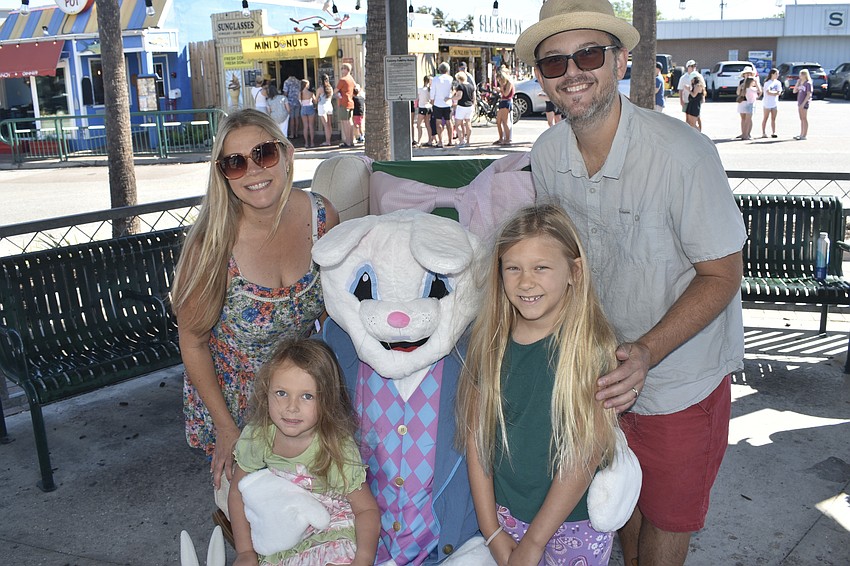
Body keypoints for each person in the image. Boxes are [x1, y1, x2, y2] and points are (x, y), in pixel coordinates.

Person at [515, 1, 747, 564]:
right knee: (618, 505)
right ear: (541, 78)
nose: (573, 72)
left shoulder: (683, 154)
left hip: (681, 382)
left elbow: (722, 273)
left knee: (667, 520)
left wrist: (646, 351)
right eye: (554, 62)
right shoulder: (546, 153)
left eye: (589, 54)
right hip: (597, 373)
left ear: (620, 61)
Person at [172, 108, 340, 493]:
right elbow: (193, 342)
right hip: (236, 405)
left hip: (301, 393)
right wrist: (226, 429)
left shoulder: (322, 217)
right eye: (235, 163)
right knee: (257, 515)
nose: (252, 170)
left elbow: (334, 308)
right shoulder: (212, 246)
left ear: (287, 154)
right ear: (223, 175)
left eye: (264, 153)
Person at [457, 204, 623, 565]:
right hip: (504, 519)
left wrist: (534, 542)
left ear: (574, 272)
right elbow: (476, 440)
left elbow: (583, 456)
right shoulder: (488, 345)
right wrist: (491, 530)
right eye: (513, 268)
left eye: (541, 268)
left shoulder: (590, 350)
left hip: (574, 525)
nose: (525, 282)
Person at [228, 338, 380, 566]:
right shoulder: (258, 436)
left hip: (329, 531)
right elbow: (237, 492)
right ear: (265, 392)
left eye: (307, 396)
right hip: (280, 536)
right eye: (281, 393)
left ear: (327, 401)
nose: (292, 407)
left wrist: (363, 559)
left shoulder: (336, 446)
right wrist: (245, 551)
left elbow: (366, 509)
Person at [429, 62, 454, 148]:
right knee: (449, 121)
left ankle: (440, 141)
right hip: (447, 103)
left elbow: (432, 91)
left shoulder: (435, 79)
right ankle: (450, 140)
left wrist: (432, 100)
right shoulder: (450, 78)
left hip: (437, 103)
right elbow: (453, 90)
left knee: (438, 122)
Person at [334, 63, 356, 147]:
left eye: (343, 68)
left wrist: (337, 94)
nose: (342, 70)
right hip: (350, 102)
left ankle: (347, 141)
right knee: (350, 122)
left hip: (343, 102)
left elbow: (335, 90)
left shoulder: (343, 80)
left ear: (347, 69)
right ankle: (351, 140)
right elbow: (356, 89)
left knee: (345, 122)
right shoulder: (351, 79)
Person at [736, 70, 761, 140]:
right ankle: (743, 133)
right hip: (742, 100)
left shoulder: (753, 82)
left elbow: (759, 91)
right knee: (743, 118)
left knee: (749, 119)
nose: (748, 75)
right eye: (746, 73)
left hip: (749, 101)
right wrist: (741, 87)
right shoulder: (741, 82)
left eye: (749, 73)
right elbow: (738, 92)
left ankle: (748, 133)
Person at [452, 71, 475, 147]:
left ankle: (461, 141)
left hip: (461, 106)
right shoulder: (471, 86)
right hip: (470, 106)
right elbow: (474, 97)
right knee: (468, 123)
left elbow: (459, 96)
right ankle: (468, 141)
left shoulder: (460, 86)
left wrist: (450, 98)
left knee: (457, 124)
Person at [495, 67, 515, 145]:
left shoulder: (509, 83)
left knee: (505, 121)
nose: (500, 81)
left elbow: (506, 94)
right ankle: (501, 138)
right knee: (498, 121)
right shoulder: (504, 84)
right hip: (502, 101)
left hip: (507, 102)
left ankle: (507, 139)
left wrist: (501, 89)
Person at [761, 68, 782, 138]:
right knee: (765, 118)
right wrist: (775, 93)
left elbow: (779, 92)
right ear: (772, 74)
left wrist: (775, 93)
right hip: (767, 103)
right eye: (776, 74)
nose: (777, 75)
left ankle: (774, 132)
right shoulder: (767, 83)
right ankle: (763, 132)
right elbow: (768, 92)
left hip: (775, 103)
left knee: (773, 119)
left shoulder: (778, 83)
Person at [793, 68, 812, 140]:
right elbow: (794, 91)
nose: (800, 76)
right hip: (799, 102)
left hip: (804, 103)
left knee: (804, 118)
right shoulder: (801, 83)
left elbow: (808, 94)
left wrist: (803, 103)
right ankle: (801, 133)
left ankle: (804, 135)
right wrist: (797, 83)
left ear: (805, 75)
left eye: (801, 75)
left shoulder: (808, 84)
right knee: (801, 118)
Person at [415, 75, 434, 147]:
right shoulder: (430, 90)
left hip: (422, 107)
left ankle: (419, 141)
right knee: (427, 124)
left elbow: (417, 98)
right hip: (429, 107)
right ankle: (430, 140)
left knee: (418, 125)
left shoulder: (420, 89)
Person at [283, 74, 302, 140]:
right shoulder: (298, 81)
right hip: (297, 101)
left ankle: (292, 134)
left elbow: (285, 93)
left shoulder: (286, 82)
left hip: (290, 102)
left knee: (292, 118)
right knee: (297, 118)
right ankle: (296, 133)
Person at [318, 74, 335, 147]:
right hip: (329, 105)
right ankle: (329, 140)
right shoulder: (330, 88)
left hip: (322, 106)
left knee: (325, 125)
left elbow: (316, 99)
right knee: (329, 124)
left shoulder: (320, 89)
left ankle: (327, 141)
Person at [300, 79, 317, 148]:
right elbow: (315, 101)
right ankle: (312, 142)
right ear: (306, 85)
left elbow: (300, 102)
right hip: (310, 107)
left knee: (305, 126)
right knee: (311, 126)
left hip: (303, 108)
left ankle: (306, 143)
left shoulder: (300, 93)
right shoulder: (311, 93)